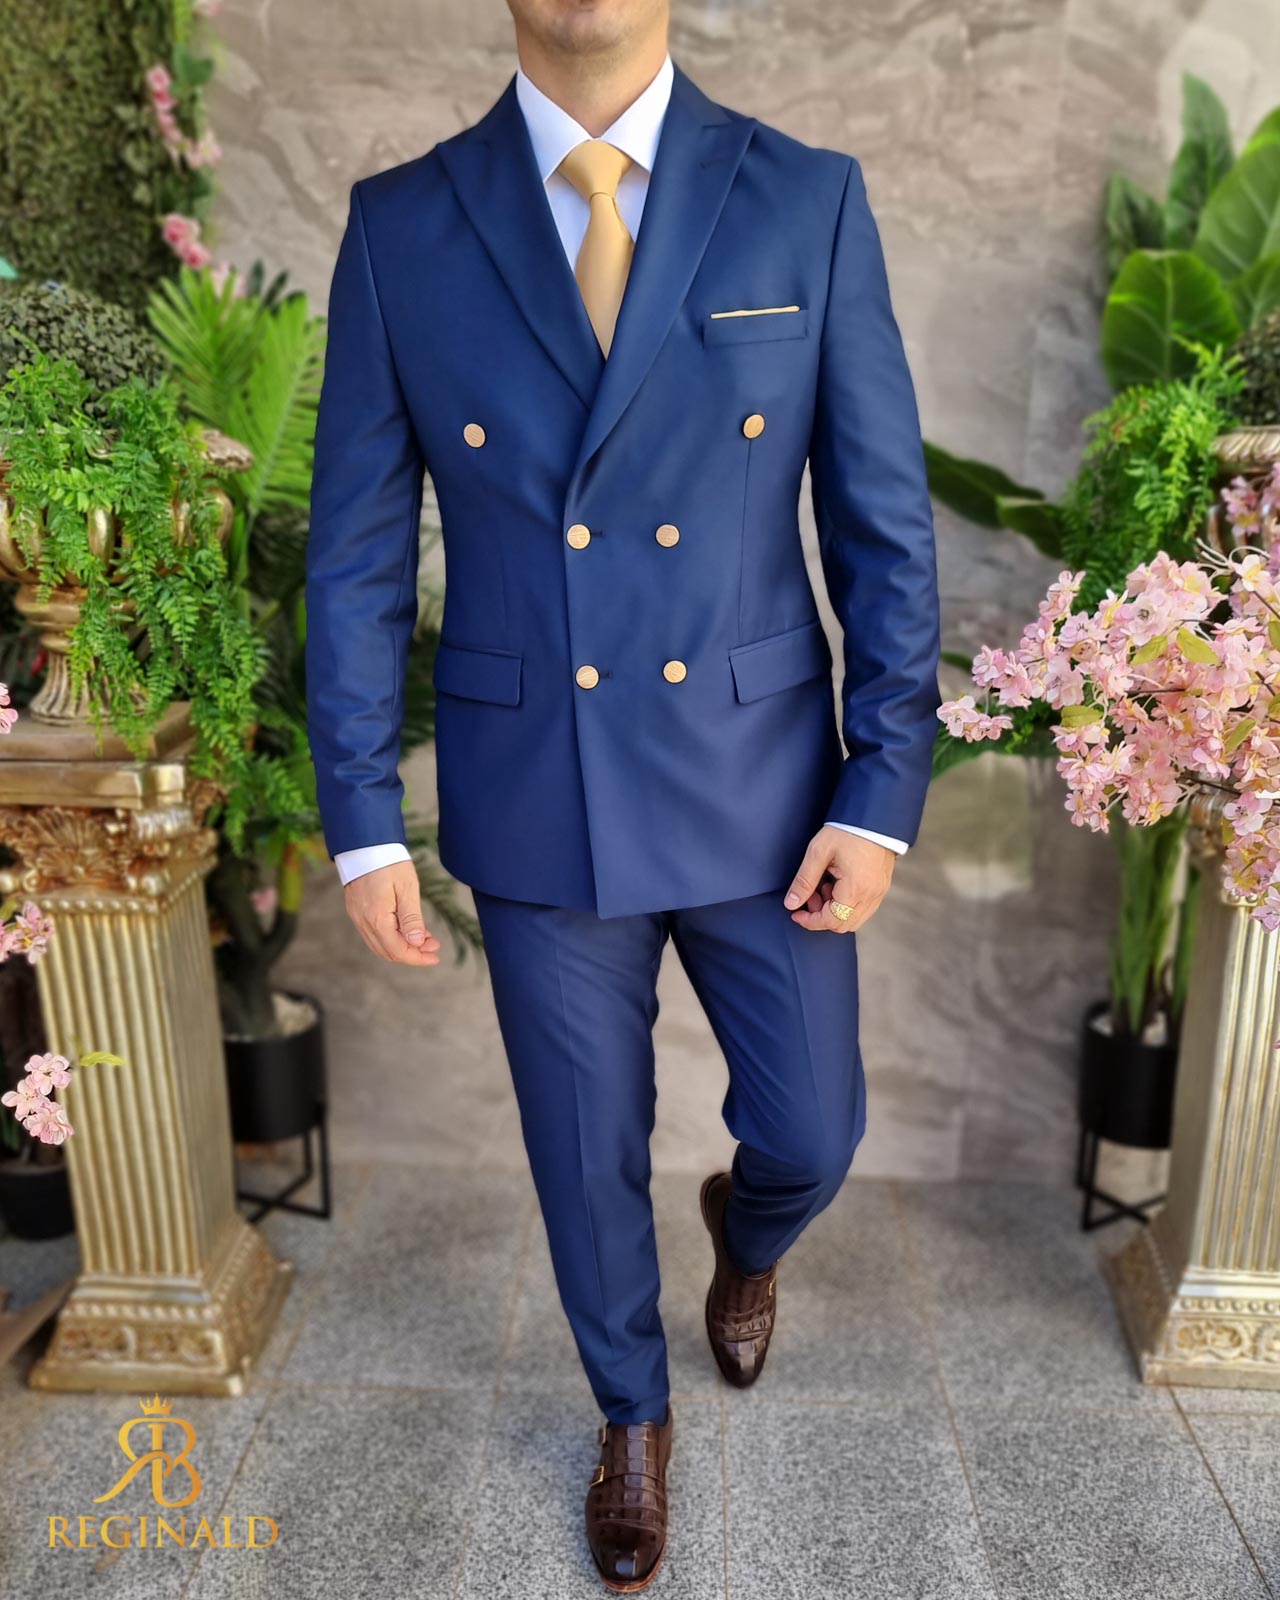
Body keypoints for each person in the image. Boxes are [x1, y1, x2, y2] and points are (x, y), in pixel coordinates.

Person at [306, 0, 940, 1588]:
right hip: (539, 773)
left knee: (812, 1129)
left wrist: (879, 789)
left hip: (762, 778)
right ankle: (631, 1418)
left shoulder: (805, 196)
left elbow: (881, 523)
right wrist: (364, 816)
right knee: (582, 1151)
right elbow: (359, 554)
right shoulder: (402, 225)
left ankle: (749, 1235)